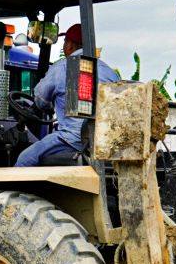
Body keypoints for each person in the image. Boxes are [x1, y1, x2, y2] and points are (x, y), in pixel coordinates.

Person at [14, 23, 118, 166]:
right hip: (103, 141)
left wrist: (47, 105)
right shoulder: (110, 72)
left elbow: (40, 98)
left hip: (72, 140)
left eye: (64, 42)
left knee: (24, 160)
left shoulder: (63, 67)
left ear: (70, 45)